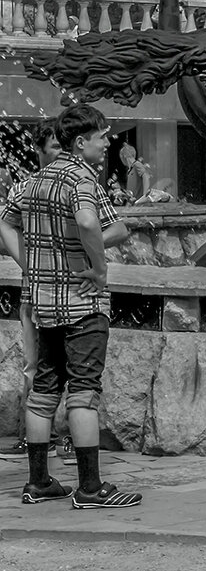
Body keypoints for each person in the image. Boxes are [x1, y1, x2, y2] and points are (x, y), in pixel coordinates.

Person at [0, 104, 140, 508]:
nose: (108, 141)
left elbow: (4, 222)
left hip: (43, 304)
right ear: (81, 142)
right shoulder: (82, 177)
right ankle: (91, 488)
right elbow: (89, 222)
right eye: (102, 136)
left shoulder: (33, 181)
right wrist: (98, 269)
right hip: (82, 304)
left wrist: (29, 263)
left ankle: (39, 481)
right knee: (83, 392)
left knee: (44, 390)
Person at [0, 118, 76, 465]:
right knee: (37, 366)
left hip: (73, 291)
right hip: (36, 293)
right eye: (56, 145)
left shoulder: (77, 182)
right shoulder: (26, 187)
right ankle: (37, 442)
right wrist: (29, 264)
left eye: (65, 143)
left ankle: (72, 438)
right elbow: (3, 223)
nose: (63, 149)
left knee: (78, 366)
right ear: (40, 149)